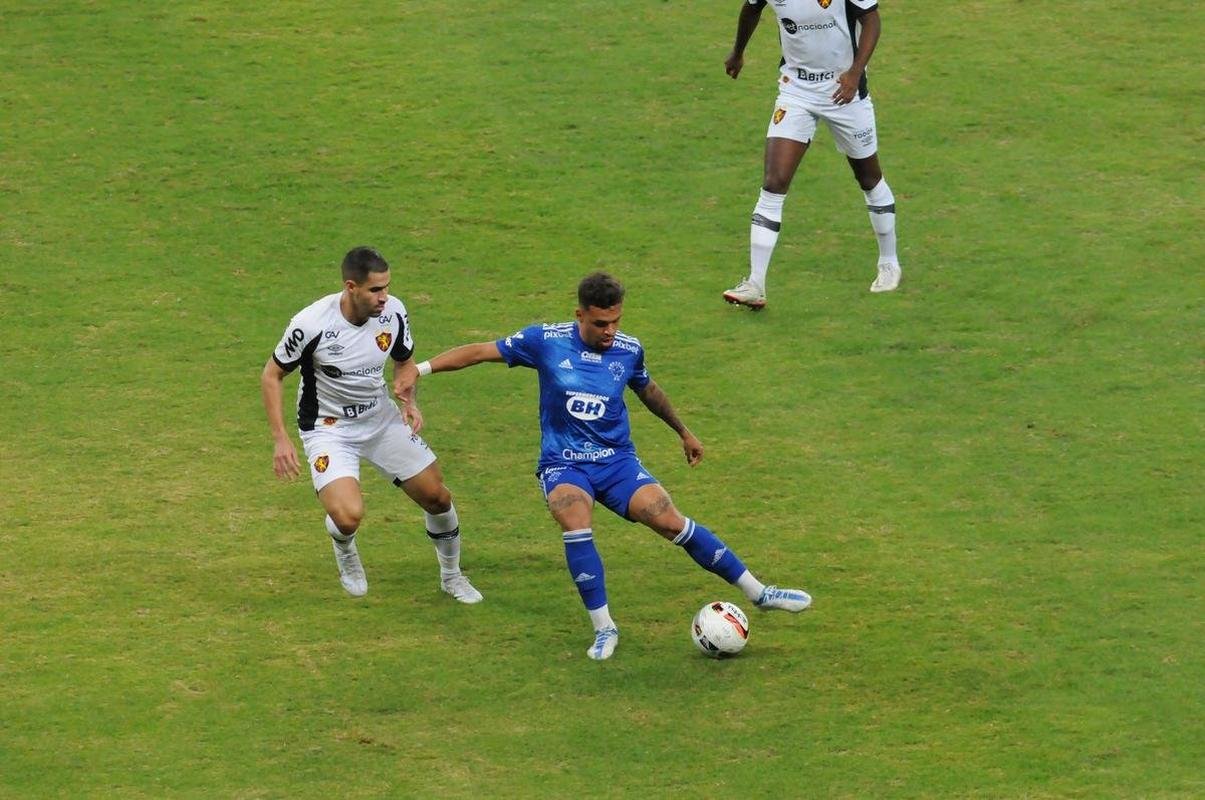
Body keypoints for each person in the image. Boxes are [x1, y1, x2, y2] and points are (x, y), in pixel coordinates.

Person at [394, 272, 810, 660]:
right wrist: (421, 369)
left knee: (670, 522)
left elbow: (648, 391)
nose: (610, 331)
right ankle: (605, 628)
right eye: (600, 323)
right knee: (575, 521)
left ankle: (759, 593)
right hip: (564, 464)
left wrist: (684, 432)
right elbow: (482, 352)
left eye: (615, 321)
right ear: (580, 316)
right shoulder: (547, 341)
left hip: (617, 463)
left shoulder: (628, 350)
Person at [260, 246, 483, 603]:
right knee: (348, 516)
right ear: (351, 287)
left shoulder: (393, 313)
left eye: (387, 287)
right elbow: (272, 375)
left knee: (438, 497)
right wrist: (280, 438)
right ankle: (345, 550)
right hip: (328, 427)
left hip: (379, 419)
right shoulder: (312, 324)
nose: (385, 297)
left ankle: (452, 576)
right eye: (376, 290)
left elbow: (403, 362)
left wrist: (409, 401)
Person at [722, 0, 901, 309]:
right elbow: (751, 8)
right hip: (796, 91)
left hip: (845, 91)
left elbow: (871, 20)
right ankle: (755, 283)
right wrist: (738, 52)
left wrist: (855, 72)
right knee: (774, 182)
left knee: (869, 178)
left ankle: (889, 262)